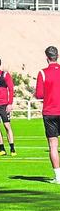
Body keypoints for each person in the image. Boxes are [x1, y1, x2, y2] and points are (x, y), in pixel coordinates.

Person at [35, 46, 60, 184]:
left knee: (53, 145)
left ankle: (58, 177)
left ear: (47, 57)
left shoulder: (42, 73)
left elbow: (39, 94)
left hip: (50, 112)